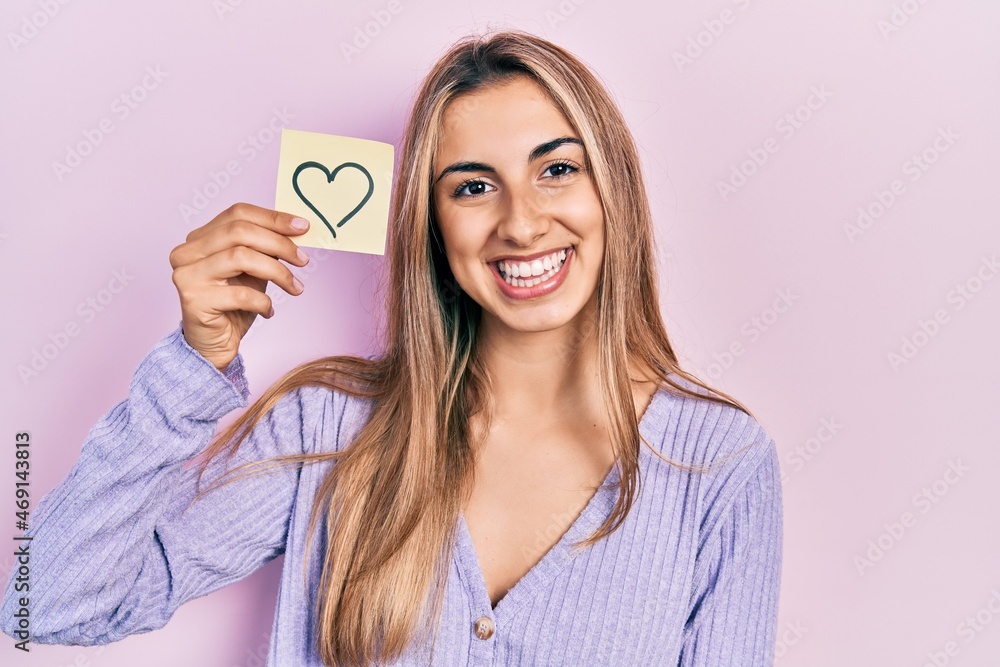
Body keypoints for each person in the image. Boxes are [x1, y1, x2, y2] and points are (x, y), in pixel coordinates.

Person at [0, 29, 783, 666]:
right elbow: (49, 603)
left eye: (557, 169)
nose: (520, 222)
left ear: (613, 189)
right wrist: (190, 367)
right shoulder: (331, 430)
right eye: (473, 186)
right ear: (433, 228)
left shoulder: (719, 464)